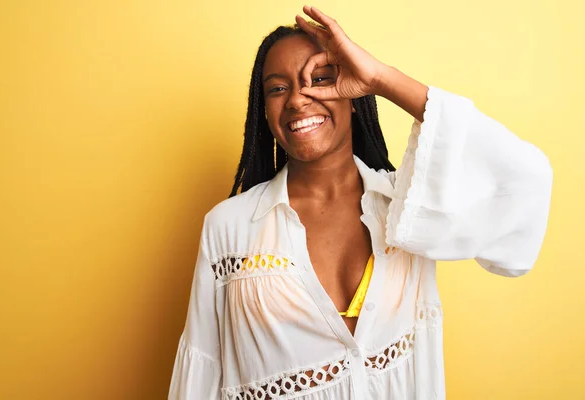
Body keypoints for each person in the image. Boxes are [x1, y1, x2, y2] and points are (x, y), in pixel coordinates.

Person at [168, 5, 552, 400]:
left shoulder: (406, 209)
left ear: (353, 93)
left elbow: (525, 182)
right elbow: (200, 375)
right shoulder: (228, 228)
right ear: (263, 111)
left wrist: (381, 79)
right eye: (278, 88)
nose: (299, 100)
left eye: (319, 79)